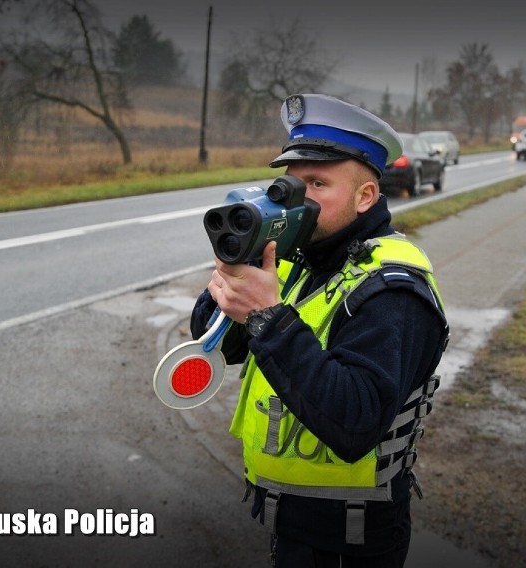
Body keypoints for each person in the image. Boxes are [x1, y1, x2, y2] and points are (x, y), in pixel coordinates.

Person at [190, 93, 448, 567]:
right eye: (290, 184)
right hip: (289, 523)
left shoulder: (393, 290)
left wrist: (268, 317)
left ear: (365, 196)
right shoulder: (302, 259)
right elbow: (221, 346)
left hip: (351, 541)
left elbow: (355, 421)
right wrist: (235, 272)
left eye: (317, 183)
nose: (299, 198)